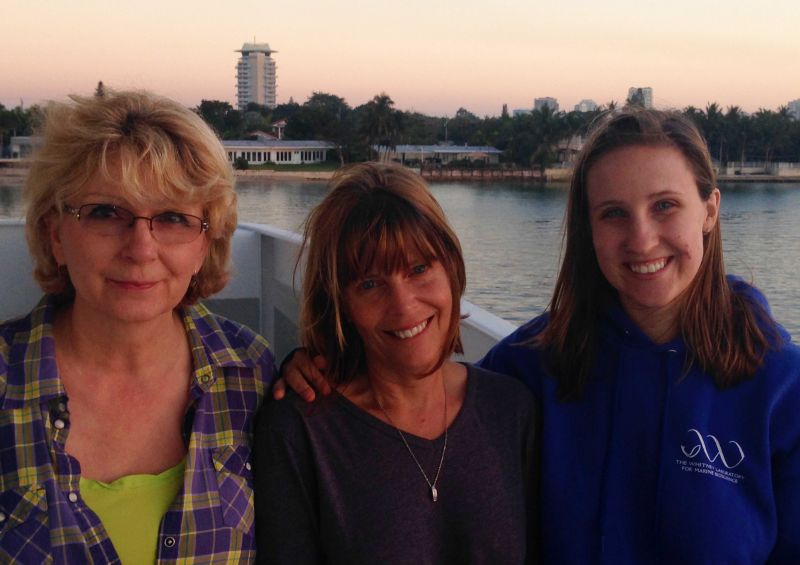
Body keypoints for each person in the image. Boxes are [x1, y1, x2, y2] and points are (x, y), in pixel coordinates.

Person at [278, 109, 800, 563]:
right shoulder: (534, 365)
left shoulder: (781, 387)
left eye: (665, 205)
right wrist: (322, 359)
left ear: (709, 210)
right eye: (613, 213)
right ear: (588, 229)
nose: (642, 239)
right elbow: (427, 404)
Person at [0, 89, 274, 563]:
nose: (141, 249)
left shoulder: (250, 374)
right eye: (107, 213)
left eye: (172, 218)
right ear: (55, 234)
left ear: (204, 246)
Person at [253, 162, 538, 564]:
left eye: (419, 269)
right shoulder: (301, 431)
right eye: (369, 284)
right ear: (341, 304)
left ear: (452, 269)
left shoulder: (511, 410)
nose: (403, 306)